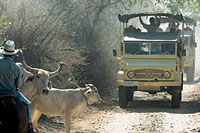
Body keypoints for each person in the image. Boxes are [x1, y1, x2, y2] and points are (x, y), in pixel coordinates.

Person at [0, 40, 36, 133]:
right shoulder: (16, 67)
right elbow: (18, 85)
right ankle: (30, 128)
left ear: (4, 53)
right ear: (13, 54)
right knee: (27, 104)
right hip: (11, 93)